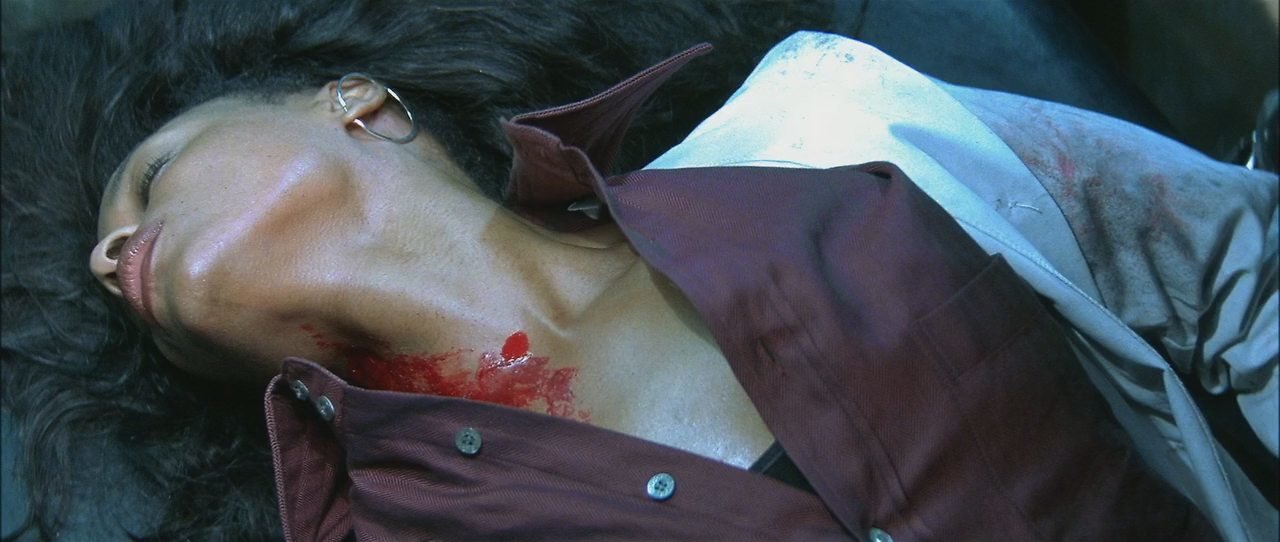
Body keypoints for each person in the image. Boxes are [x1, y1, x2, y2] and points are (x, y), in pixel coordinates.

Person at [2, 1, 1274, 541]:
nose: (112, 252)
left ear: (360, 104)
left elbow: (1236, 273)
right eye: (110, 253)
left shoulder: (835, 124)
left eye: (151, 178)